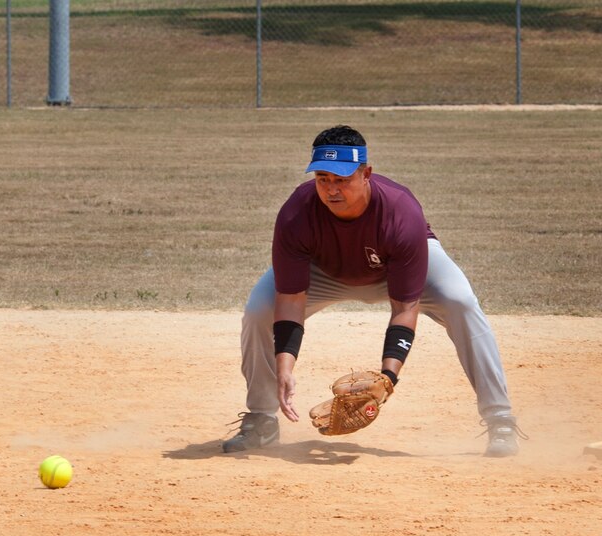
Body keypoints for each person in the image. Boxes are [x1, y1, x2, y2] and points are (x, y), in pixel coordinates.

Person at [223, 125, 526, 458]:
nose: (331, 190)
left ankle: (500, 420)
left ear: (366, 173)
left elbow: (405, 308)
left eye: (342, 180)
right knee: (258, 310)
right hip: (326, 271)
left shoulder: (400, 211)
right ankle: (262, 421)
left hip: (397, 266)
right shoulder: (296, 214)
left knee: (460, 301)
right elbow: (291, 298)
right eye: (323, 179)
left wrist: (387, 378)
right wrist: (284, 368)